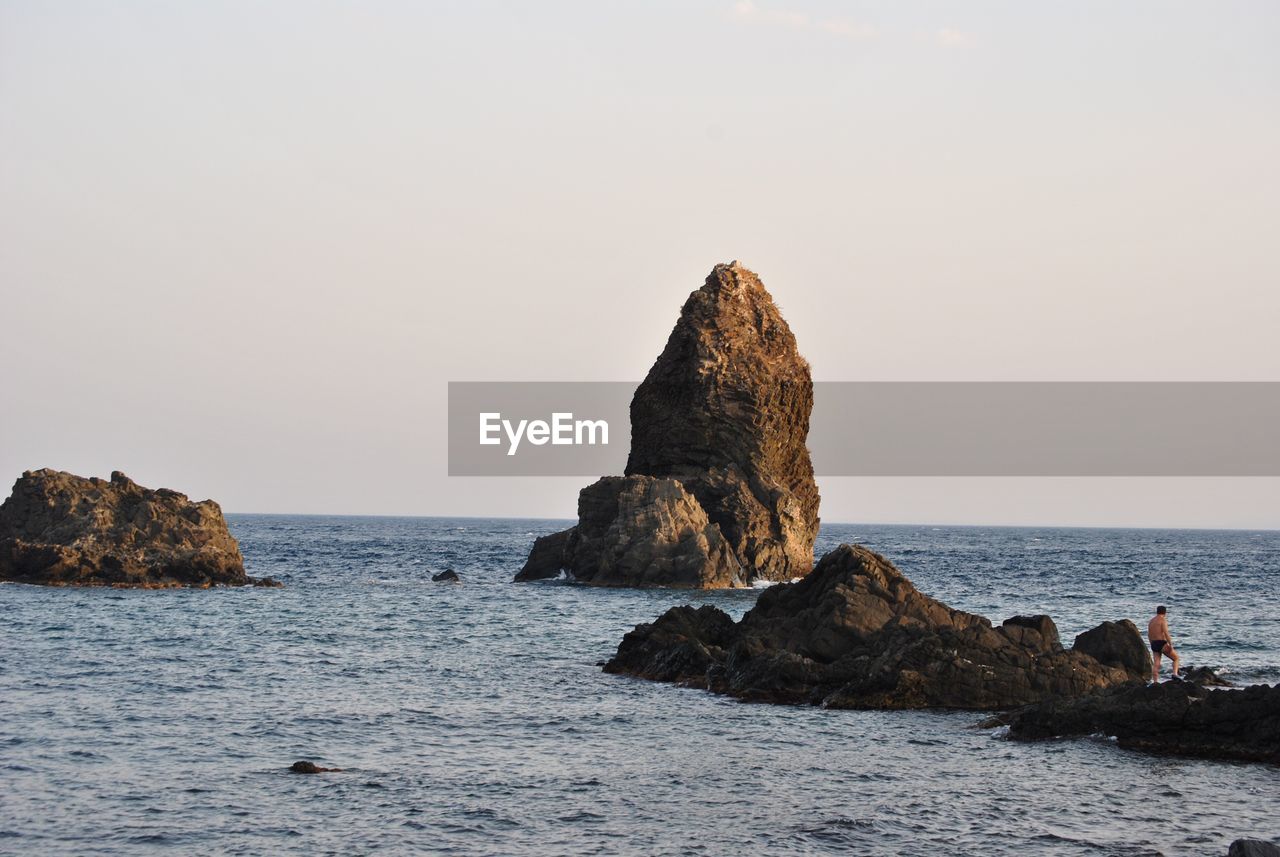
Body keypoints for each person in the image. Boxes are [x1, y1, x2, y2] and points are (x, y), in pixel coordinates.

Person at [1146, 605, 1180, 682]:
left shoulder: (1151, 621)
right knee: (1176, 658)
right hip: (1161, 643)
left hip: (1154, 643)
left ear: (1157, 611)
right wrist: (1170, 645)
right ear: (1165, 612)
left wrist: (1151, 643)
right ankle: (1174, 674)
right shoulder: (1162, 620)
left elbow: (1149, 634)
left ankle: (1155, 682)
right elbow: (1166, 633)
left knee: (1156, 664)